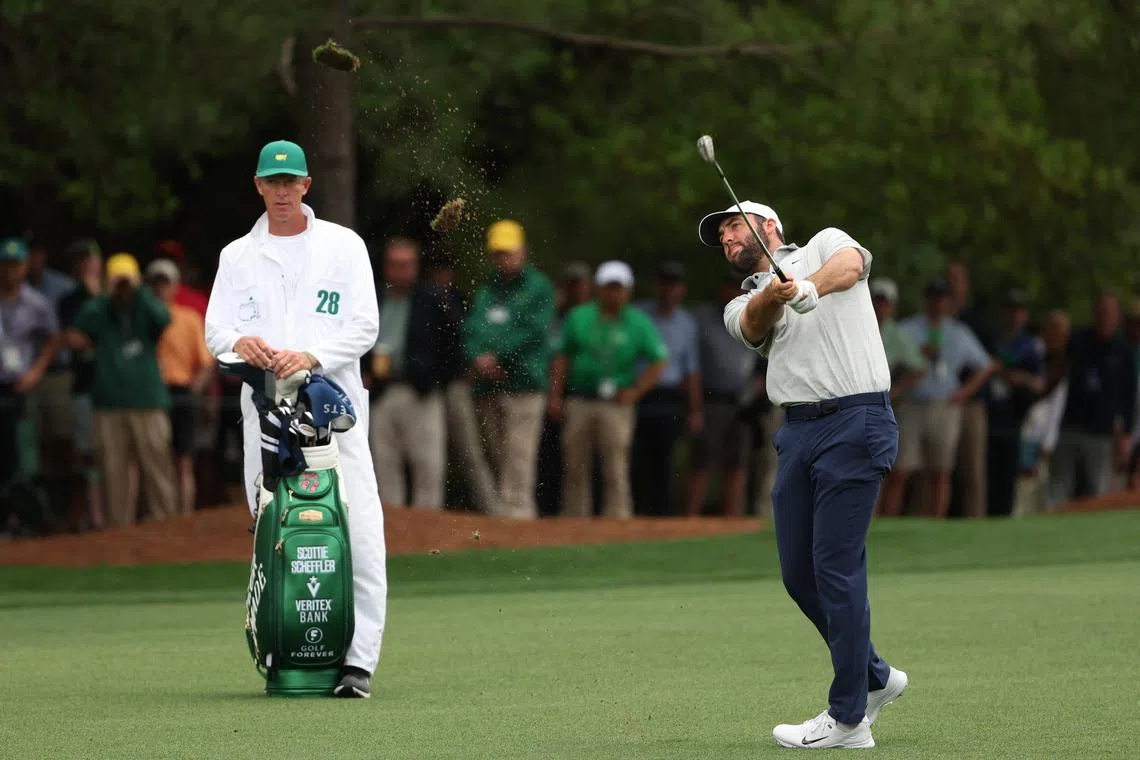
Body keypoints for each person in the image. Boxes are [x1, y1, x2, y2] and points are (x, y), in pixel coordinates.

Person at [701, 200, 907, 748]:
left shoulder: (823, 243)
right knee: (799, 572)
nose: (726, 238)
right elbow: (752, 324)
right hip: (797, 434)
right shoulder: (743, 299)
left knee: (835, 565)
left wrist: (808, 284)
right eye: (720, 235)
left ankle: (848, 719)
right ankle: (876, 677)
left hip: (856, 419)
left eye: (733, 226)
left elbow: (852, 267)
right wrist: (774, 289)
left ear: (770, 226)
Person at [204, 139, 386, 698]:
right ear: (258, 186)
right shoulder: (237, 255)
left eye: (291, 182)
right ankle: (283, 650)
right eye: (271, 182)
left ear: (307, 185)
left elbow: (365, 326)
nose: (281, 191)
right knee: (272, 527)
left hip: (333, 406)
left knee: (357, 525)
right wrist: (244, 343)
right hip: (265, 409)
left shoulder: (343, 245)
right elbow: (215, 334)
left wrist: (309, 356)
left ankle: (358, 662)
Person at [66, 253, 179, 527]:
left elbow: (164, 319)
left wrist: (139, 292)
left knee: (157, 465)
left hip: (148, 401)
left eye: (128, 281)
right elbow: (77, 330)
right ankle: (115, 529)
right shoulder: (101, 309)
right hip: (109, 404)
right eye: (119, 281)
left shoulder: (146, 306)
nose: (124, 287)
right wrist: (105, 294)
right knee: (112, 470)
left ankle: (167, 523)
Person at [548, 261, 667, 518]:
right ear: (598, 289)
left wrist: (637, 390)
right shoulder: (579, 316)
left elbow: (660, 359)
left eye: (618, 288)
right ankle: (574, 519)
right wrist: (555, 396)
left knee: (616, 465)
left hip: (616, 403)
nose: (613, 293)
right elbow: (561, 358)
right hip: (580, 399)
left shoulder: (637, 322)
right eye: (608, 287)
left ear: (628, 291)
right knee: (575, 464)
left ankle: (618, 521)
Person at [880, 279, 997, 518]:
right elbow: (890, 361)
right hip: (913, 404)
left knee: (941, 471)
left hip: (945, 405)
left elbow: (985, 365)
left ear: (948, 302)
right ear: (926, 301)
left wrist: (965, 392)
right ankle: (888, 520)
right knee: (901, 470)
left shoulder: (958, 332)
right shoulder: (908, 328)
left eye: (942, 298)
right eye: (933, 298)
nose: (937, 303)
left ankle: (936, 523)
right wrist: (915, 356)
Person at [462, 220, 555, 519]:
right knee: (497, 452)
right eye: (498, 253)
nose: (503, 258)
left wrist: (498, 358)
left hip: (524, 383)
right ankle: (503, 512)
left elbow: (533, 332)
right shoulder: (488, 288)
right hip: (489, 385)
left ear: (522, 251)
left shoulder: (539, 287)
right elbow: (473, 328)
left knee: (519, 452)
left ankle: (518, 513)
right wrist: (479, 358)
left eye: (508, 252)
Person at [365, 237, 458, 509]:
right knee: (384, 461)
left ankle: (427, 531)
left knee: (427, 463)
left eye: (406, 265)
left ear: (416, 267)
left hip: (420, 391)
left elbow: (453, 345)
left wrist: (436, 379)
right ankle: (393, 530)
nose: (400, 271)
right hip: (381, 390)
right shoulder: (374, 297)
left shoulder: (433, 300)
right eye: (394, 265)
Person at [631, 260, 702, 516]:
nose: (669, 289)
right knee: (637, 459)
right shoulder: (638, 315)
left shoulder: (687, 323)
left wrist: (695, 410)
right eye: (664, 283)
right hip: (639, 394)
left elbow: (691, 370)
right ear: (656, 286)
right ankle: (635, 515)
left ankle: (660, 517)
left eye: (674, 284)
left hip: (670, 396)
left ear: (681, 289)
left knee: (666, 459)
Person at [0, 237, 61, 535]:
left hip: (19, 387)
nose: (10, 271)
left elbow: (53, 338)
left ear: (24, 267)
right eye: (5, 265)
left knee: (20, 456)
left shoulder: (35, 303)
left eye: (16, 265)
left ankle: (22, 519)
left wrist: (37, 370)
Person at [147, 258, 215, 516]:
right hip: (152, 393)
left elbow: (206, 361)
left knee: (183, 458)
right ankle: (161, 514)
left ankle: (184, 516)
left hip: (181, 391)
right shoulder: (144, 318)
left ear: (176, 287)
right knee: (156, 458)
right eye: (156, 284)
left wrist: (195, 389)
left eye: (166, 284)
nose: (161, 289)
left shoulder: (188, 319)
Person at [687, 273, 758, 517]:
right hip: (710, 399)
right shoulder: (702, 319)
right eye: (730, 287)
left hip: (743, 403)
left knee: (737, 463)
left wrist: (755, 394)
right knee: (702, 461)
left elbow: (761, 366)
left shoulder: (753, 317)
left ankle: (730, 522)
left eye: (739, 289)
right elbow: (692, 365)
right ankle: (690, 521)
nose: (734, 293)